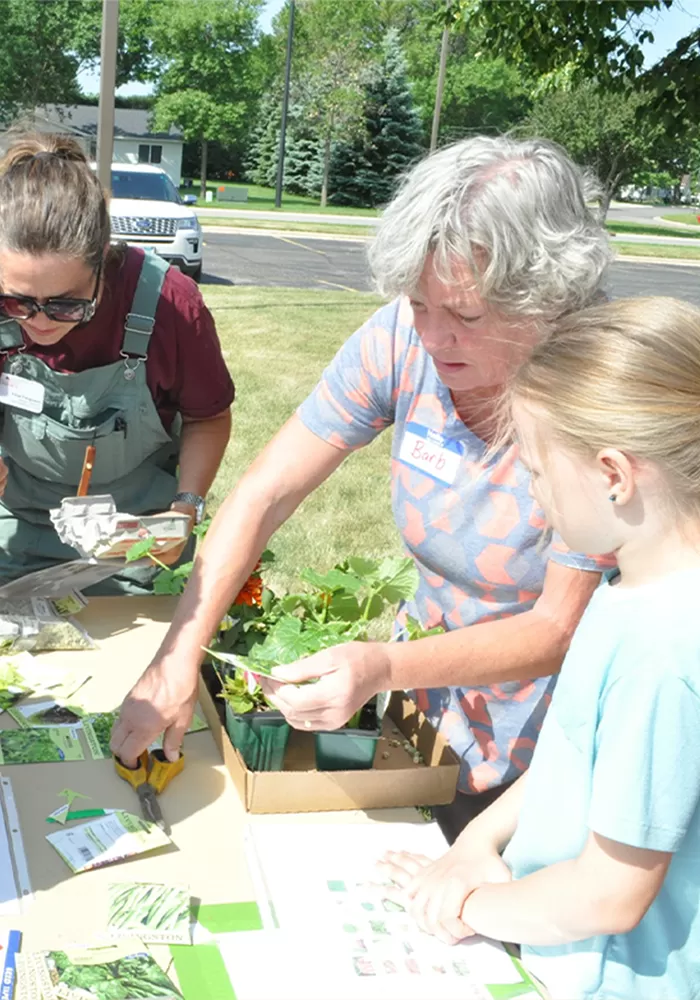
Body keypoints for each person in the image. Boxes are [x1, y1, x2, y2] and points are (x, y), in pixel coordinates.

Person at [112, 136, 613, 837]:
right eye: (418, 304)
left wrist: (380, 666)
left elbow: (559, 627)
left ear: (547, 297)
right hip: (426, 711)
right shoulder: (400, 340)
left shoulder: (605, 393)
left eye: (467, 316)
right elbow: (265, 494)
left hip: (552, 756)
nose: (434, 338)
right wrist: (175, 659)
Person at [380, 296, 700, 1000]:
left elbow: (608, 896)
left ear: (614, 475)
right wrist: (474, 846)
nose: (532, 494)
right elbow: (570, 753)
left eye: (534, 471)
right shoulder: (634, 588)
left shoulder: (663, 651)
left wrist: (464, 906)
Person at [0, 133, 233, 593]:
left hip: (135, 539)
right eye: (16, 303)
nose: (40, 323)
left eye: (66, 305)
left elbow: (209, 417)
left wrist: (185, 509)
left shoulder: (169, 302)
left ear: (104, 260)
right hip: (18, 525)